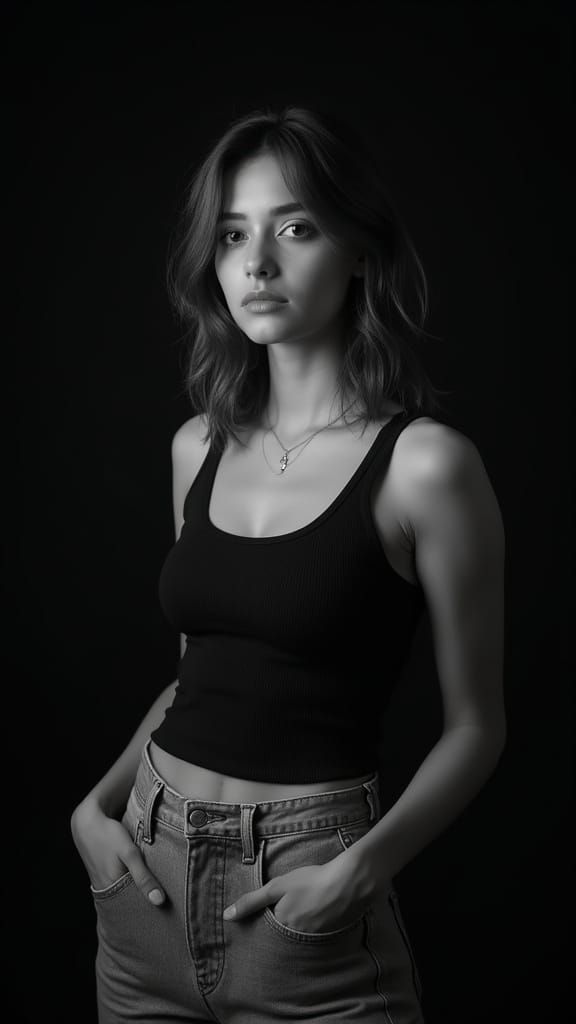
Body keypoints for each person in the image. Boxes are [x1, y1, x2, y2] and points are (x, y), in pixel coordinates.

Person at [71, 105, 506, 1024]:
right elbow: (199, 676)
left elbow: (478, 727)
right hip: (142, 883)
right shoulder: (199, 446)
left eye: (295, 228)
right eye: (232, 235)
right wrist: (93, 809)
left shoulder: (425, 465)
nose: (256, 262)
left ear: (358, 251)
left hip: (303, 902)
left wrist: (357, 872)